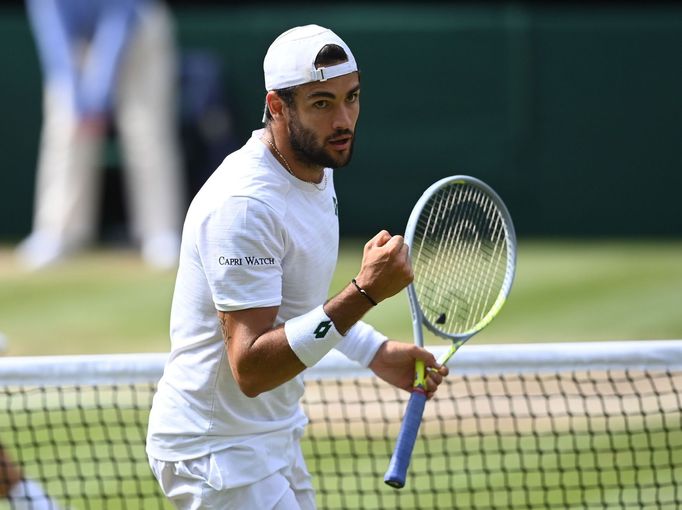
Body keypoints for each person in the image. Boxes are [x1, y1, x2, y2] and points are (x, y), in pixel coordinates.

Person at [146, 25, 449, 509]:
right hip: (214, 451)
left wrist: (373, 349)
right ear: (277, 106)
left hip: (271, 434)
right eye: (322, 103)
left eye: (352, 97)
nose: (344, 119)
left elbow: (299, 307)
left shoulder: (315, 166)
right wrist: (365, 292)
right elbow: (251, 368)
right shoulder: (245, 205)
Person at [18, 0, 184, 270]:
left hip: (139, 27)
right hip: (80, 38)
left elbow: (118, 19)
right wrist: (75, 96)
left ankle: (160, 233)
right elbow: (53, 31)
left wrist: (96, 97)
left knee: (146, 133)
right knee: (64, 128)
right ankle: (56, 233)